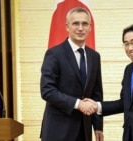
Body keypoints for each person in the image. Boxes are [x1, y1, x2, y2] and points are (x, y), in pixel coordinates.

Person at [40, 7, 103, 141]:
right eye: (75, 23)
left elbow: (96, 93)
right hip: (58, 132)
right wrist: (78, 104)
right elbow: (47, 90)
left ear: (90, 27)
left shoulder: (94, 57)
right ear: (67, 26)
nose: (80, 28)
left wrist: (98, 126)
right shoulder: (54, 54)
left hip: (84, 132)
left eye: (85, 24)